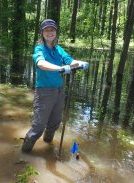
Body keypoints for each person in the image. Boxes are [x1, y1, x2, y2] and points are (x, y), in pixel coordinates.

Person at [22, 19, 89, 153]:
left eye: (52, 30)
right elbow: (41, 63)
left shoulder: (59, 49)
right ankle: (24, 154)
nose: (50, 32)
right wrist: (61, 68)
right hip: (44, 92)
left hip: (59, 92)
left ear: (56, 32)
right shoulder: (39, 48)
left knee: (54, 123)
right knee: (38, 126)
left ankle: (48, 147)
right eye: (46, 30)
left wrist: (80, 63)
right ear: (42, 33)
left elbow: (70, 61)